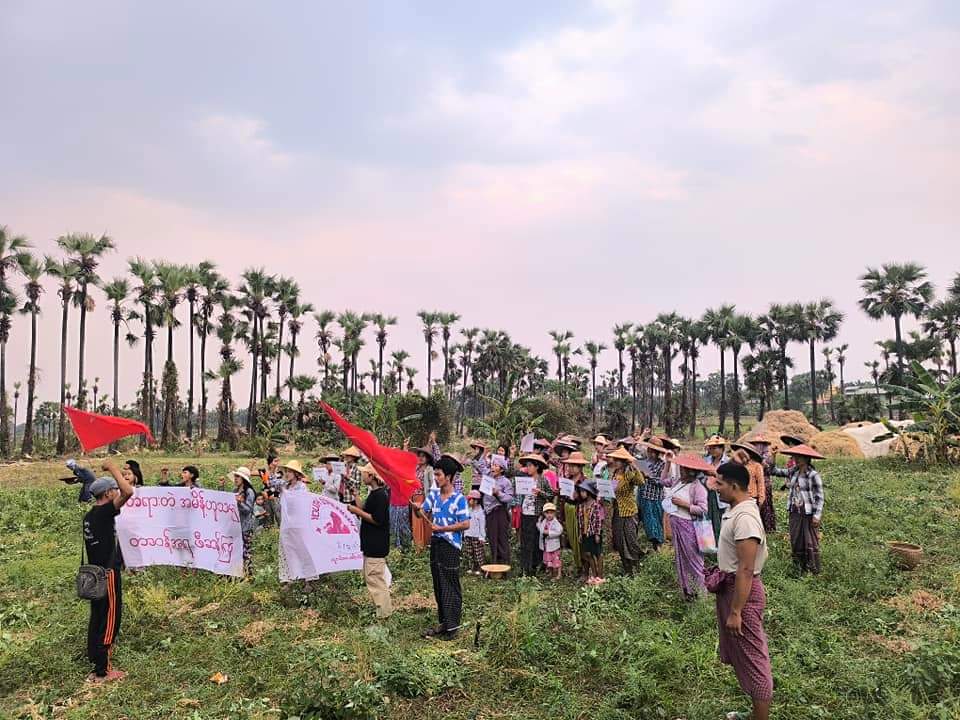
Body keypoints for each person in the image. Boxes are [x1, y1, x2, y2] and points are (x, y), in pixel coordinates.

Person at [709, 462, 772, 720]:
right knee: (744, 655)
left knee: (755, 660)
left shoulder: (745, 519)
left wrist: (736, 611)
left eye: (720, 483)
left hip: (742, 594)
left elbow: (746, 569)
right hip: (734, 590)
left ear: (734, 486)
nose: (716, 488)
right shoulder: (737, 509)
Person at [82, 460, 134, 683]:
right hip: (107, 574)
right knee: (111, 618)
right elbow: (129, 491)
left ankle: (94, 655)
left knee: (98, 615)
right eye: (114, 490)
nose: (117, 492)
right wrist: (112, 467)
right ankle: (103, 671)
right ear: (107, 493)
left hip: (94, 574)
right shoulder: (104, 513)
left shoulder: (90, 515)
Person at [411, 455, 470, 640]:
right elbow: (422, 514)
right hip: (436, 543)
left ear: (450, 477)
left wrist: (443, 528)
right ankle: (444, 621)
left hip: (450, 546)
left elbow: (465, 524)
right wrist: (416, 508)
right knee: (438, 583)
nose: (436, 478)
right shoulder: (434, 495)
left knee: (450, 584)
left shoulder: (459, 499)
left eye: (439, 475)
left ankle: (453, 626)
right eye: (435, 475)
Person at [662, 453, 711, 599]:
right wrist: (667, 463)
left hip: (689, 527)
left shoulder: (697, 487)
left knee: (694, 561)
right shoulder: (678, 481)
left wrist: (685, 505)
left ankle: (702, 594)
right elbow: (663, 480)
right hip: (676, 525)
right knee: (681, 559)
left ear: (691, 471)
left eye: (683, 469)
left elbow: (703, 510)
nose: (681, 471)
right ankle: (688, 591)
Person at [771, 444, 825, 575]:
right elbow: (774, 471)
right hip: (794, 511)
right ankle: (799, 568)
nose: (797, 459)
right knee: (796, 539)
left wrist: (817, 515)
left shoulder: (813, 475)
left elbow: (820, 497)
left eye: (800, 457)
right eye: (796, 456)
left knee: (810, 540)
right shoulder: (793, 472)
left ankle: (812, 569)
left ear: (807, 458)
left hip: (807, 513)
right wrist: (773, 456)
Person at [347, 465, 392, 619]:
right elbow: (366, 510)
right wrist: (356, 496)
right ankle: (382, 610)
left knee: (375, 579)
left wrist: (356, 511)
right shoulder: (375, 494)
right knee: (371, 577)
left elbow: (377, 519)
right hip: (371, 543)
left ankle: (384, 614)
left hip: (376, 544)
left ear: (372, 476)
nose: (362, 476)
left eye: (364, 474)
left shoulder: (380, 496)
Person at [606, 446, 645, 575]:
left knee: (630, 540)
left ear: (623, 461)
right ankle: (626, 567)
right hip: (617, 510)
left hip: (629, 511)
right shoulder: (615, 473)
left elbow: (641, 482)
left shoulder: (629, 473)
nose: (615, 461)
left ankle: (635, 566)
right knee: (619, 540)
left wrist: (636, 468)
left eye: (618, 460)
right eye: (615, 459)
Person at [517, 453, 554, 575]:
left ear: (537, 467)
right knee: (524, 540)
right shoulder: (524, 479)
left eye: (530, 466)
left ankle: (534, 566)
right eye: (527, 466)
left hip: (536, 514)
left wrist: (540, 492)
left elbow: (551, 495)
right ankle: (524, 567)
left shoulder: (543, 480)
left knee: (535, 540)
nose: (528, 468)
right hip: (525, 513)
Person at [637, 438, 670, 553]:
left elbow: (662, 482)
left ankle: (658, 544)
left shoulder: (662, 464)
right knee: (646, 520)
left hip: (654, 497)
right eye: (650, 450)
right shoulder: (643, 461)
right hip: (643, 494)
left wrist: (649, 477)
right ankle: (651, 543)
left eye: (654, 451)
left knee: (655, 520)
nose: (651, 453)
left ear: (658, 453)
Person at [560, 451, 589, 576]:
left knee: (580, 539)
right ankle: (578, 566)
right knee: (572, 540)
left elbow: (589, 499)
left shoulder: (585, 481)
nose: (570, 468)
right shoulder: (567, 480)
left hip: (579, 511)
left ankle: (585, 569)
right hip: (568, 509)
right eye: (569, 465)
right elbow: (563, 498)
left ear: (580, 467)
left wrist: (578, 497)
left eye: (573, 466)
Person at [482, 454, 514, 564]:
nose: (493, 468)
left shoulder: (506, 482)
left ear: (501, 469)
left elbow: (509, 498)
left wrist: (498, 493)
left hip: (500, 512)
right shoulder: (488, 479)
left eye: (496, 466)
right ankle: (494, 562)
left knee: (501, 538)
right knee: (492, 537)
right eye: (492, 465)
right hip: (489, 512)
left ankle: (504, 563)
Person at [410, 444, 438, 549]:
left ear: (427, 458)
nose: (420, 458)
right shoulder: (416, 469)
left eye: (423, 456)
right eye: (419, 455)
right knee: (417, 523)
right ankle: (419, 545)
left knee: (424, 521)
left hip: (423, 497)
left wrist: (429, 500)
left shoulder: (429, 470)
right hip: (414, 497)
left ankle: (424, 545)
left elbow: (432, 486)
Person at [578, 480, 605, 585]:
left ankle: (600, 575)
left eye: (583, 491)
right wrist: (580, 533)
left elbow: (598, 520)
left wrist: (597, 533)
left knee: (598, 554)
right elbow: (580, 521)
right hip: (585, 533)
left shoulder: (595, 505)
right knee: (588, 554)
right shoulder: (581, 506)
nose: (581, 493)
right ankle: (594, 574)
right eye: (580, 491)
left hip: (594, 533)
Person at [703, 436, 729, 544]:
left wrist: (715, 475)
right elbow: (700, 476)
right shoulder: (706, 461)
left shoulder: (728, 462)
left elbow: (729, 480)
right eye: (711, 448)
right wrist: (705, 482)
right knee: (708, 520)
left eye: (715, 448)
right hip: (708, 494)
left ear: (722, 448)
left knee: (721, 521)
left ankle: (722, 546)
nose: (712, 450)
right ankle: (710, 546)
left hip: (721, 495)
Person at [749, 434, 778, 532]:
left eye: (760, 444)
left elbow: (771, 466)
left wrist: (773, 455)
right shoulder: (750, 456)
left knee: (765, 504)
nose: (758, 446)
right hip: (753, 484)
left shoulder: (767, 456)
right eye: (755, 444)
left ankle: (767, 527)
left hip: (765, 483)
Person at [232, 467, 257, 578]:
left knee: (245, 551)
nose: (235, 479)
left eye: (238, 476)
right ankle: (238, 574)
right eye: (235, 476)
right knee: (236, 551)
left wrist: (239, 503)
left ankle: (248, 575)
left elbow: (248, 510)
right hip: (235, 526)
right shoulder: (234, 491)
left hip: (245, 526)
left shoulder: (249, 492)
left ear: (243, 478)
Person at [731, 443, 766, 512]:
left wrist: (761, 500)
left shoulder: (757, 466)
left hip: (751, 497)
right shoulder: (736, 464)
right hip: (737, 496)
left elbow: (761, 483)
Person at [537, 502, 564, 580]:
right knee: (549, 560)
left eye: (551, 513)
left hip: (554, 546)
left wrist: (549, 532)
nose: (549, 515)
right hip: (546, 545)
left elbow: (559, 531)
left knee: (556, 559)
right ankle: (551, 573)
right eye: (547, 513)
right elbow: (541, 528)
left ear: (554, 513)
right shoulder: (544, 521)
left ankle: (558, 574)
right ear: (544, 513)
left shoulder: (555, 522)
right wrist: (538, 523)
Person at [463, 490, 487, 575]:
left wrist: (482, 537)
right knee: (469, 552)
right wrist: (464, 533)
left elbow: (482, 526)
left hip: (477, 536)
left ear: (476, 501)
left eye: (470, 499)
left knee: (478, 553)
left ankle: (481, 568)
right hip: (468, 534)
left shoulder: (480, 512)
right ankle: (471, 567)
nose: (469, 501)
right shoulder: (468, 510)